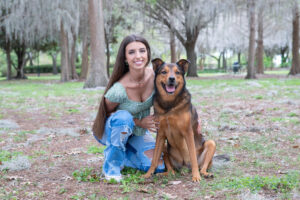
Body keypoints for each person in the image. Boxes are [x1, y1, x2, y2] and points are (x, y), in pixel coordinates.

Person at [92, 34, 165, 182]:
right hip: (114, 129)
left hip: (137, 133)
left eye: (142, 51)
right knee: (123, 118)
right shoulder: (118, 90)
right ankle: (112, 166)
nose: (138, 56)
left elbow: (173, 94)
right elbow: (108, 114)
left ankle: (123, 155)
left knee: (158, 166)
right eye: (131, 52)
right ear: (125, 58)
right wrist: (139, 122)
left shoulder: (155, 76)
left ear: (148, 54)